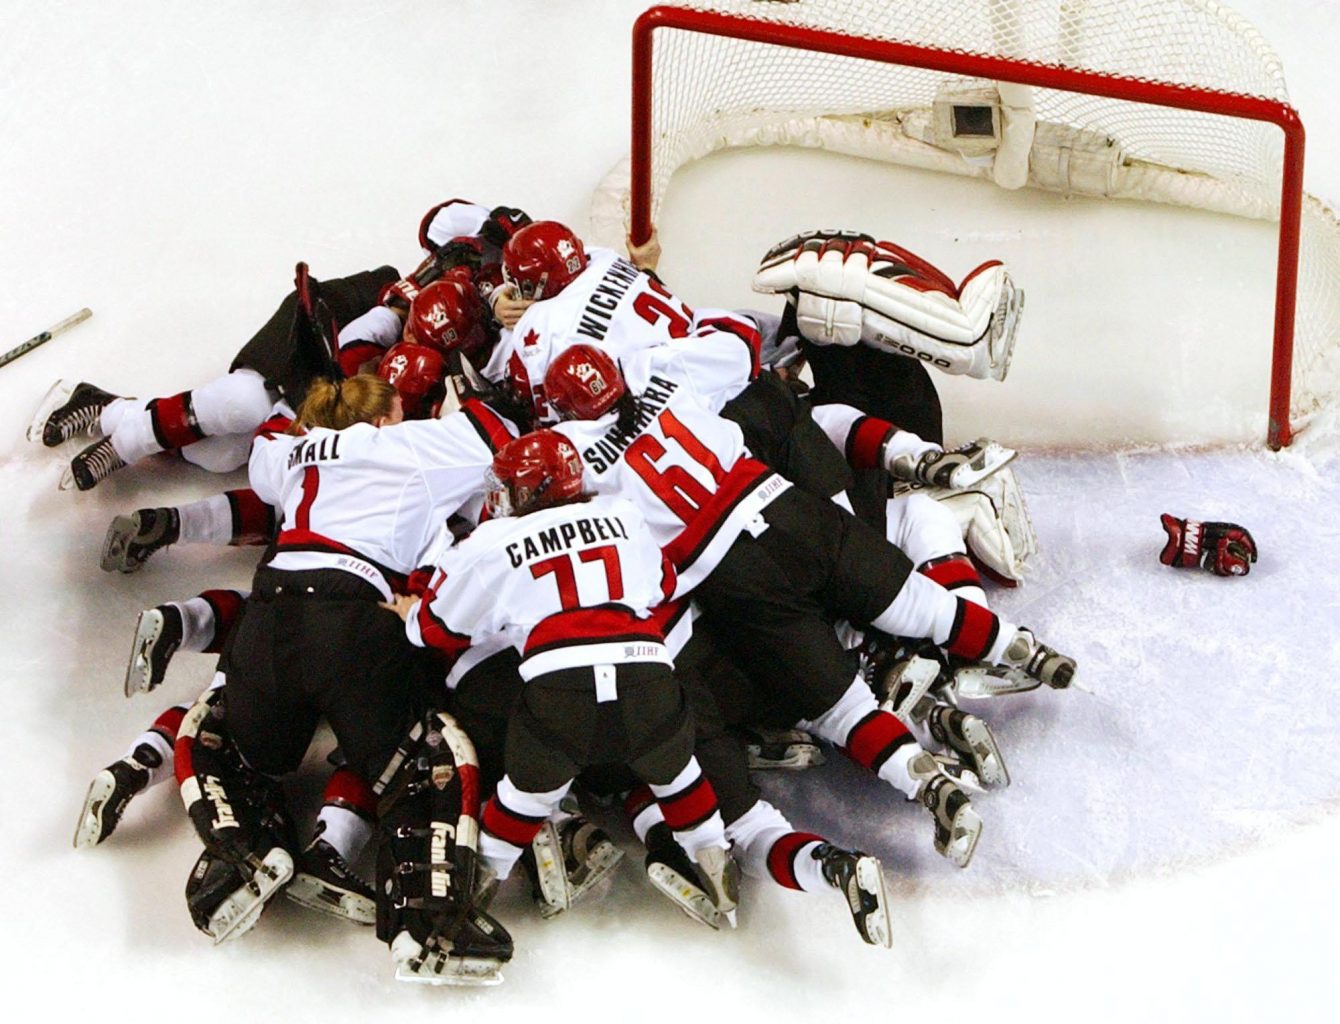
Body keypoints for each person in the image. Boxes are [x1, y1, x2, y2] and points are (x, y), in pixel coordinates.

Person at [395, 429, 740, 920]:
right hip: (647, 673)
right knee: (678, 774)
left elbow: (434, 630)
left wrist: (411, 612)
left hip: (562, 685)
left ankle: (470, 898)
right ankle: (717, 867)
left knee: (526, 793)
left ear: (530, 491)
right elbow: (663, 583)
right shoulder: (620, 514)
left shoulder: (494, 539)